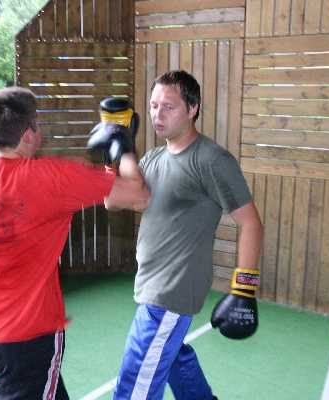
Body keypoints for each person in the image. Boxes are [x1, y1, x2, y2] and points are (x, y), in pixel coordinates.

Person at [0, 86, 149, 400]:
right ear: (29, 133)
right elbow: (138, 196)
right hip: (25, 338)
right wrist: (124, 146)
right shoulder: (52, 177)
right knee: (32, 379)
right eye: (38, 122)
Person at [111, 70, 264, 400]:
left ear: (193, 108)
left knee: (135, 380)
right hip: (150, 282)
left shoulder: (211, 160)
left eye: (168, 106)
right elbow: (116, 201)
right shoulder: (154, 157)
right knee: (174, 360)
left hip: (171, 291)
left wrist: (244, 289)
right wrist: (117, 152)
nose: (157, 114)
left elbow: (251, 222)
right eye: (153, 105)